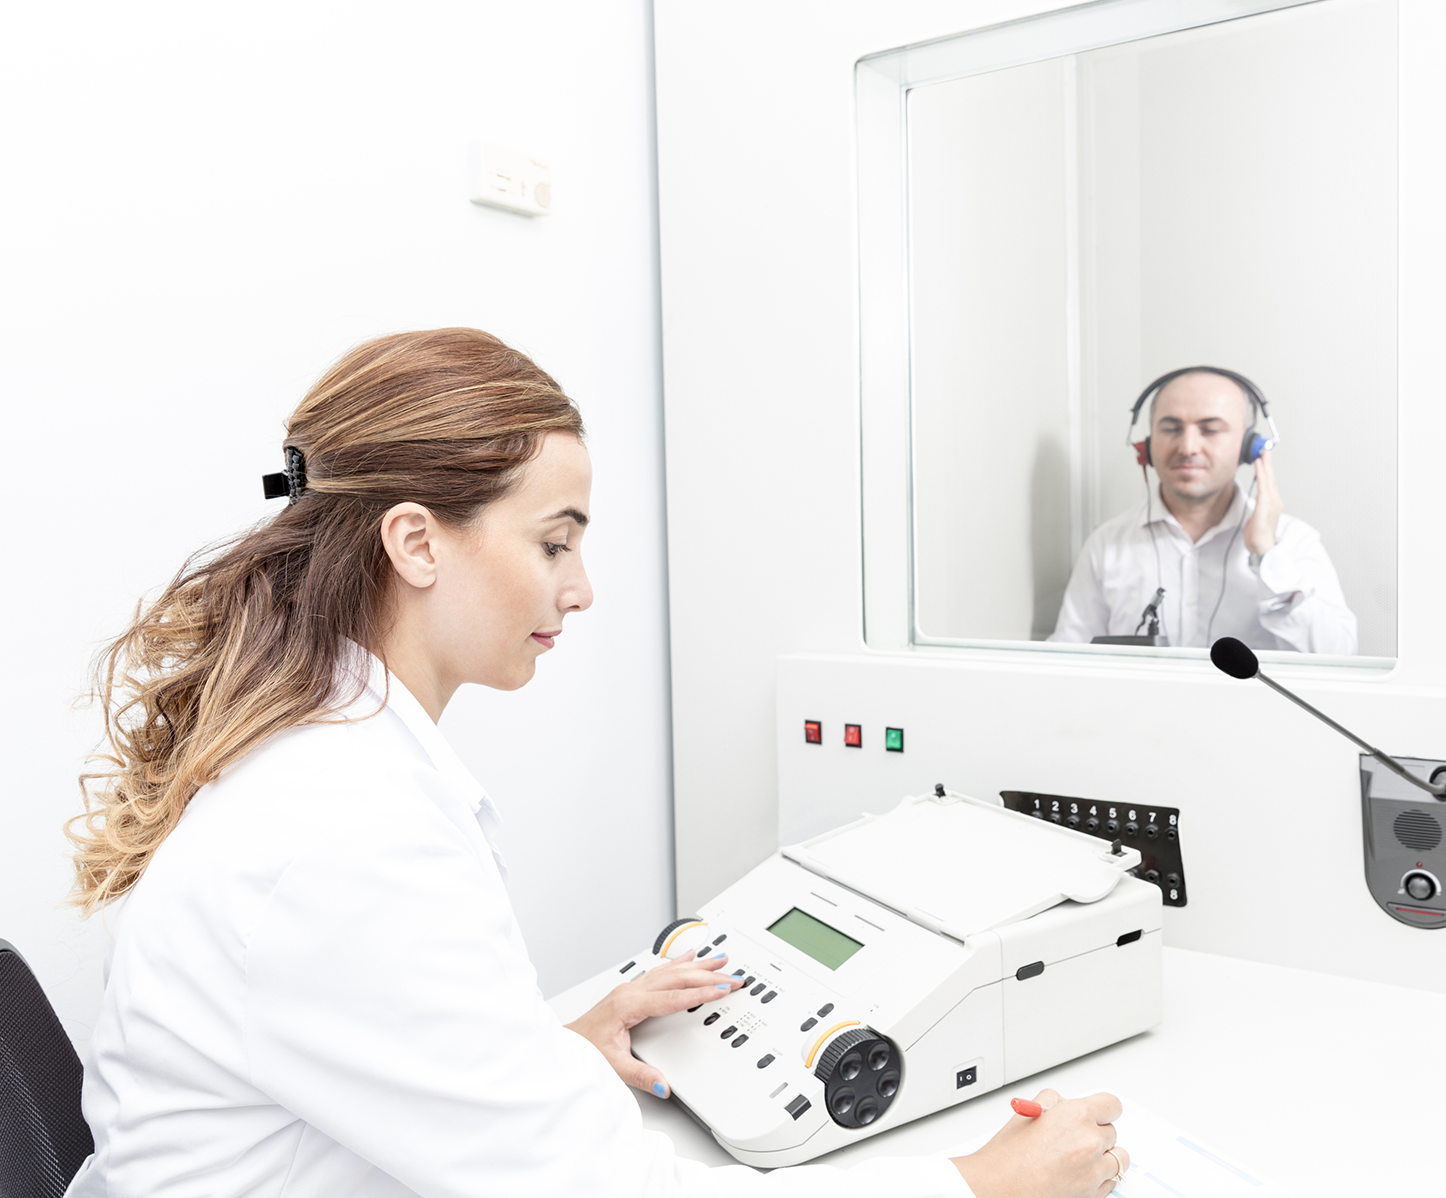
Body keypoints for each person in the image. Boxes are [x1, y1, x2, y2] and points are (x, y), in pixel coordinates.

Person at [64, 329, 1128, 1198]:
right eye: (554, 542)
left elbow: (371, 1053)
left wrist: (546, 1049)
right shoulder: (342, 838)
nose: (581, 589)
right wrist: (980, 1183)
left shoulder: (324, 763)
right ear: (417, 541)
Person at [1050, 367, 1357, 653]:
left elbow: (1339, 654)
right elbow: (1067, 659)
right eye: (1171, 428)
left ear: (1250, 447)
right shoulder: (1107, 544)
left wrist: (1266, 554)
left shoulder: (1292, 541)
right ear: (1146, 446)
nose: (1188, 447)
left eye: (1210, 430)